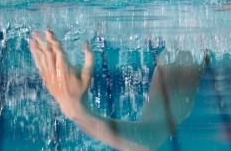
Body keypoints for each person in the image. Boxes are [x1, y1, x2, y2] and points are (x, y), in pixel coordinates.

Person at [29, 30, 205, 151]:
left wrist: (77, 111)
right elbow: (151, 136)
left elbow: (151, 137)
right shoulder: (197, 37)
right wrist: (77, 111)